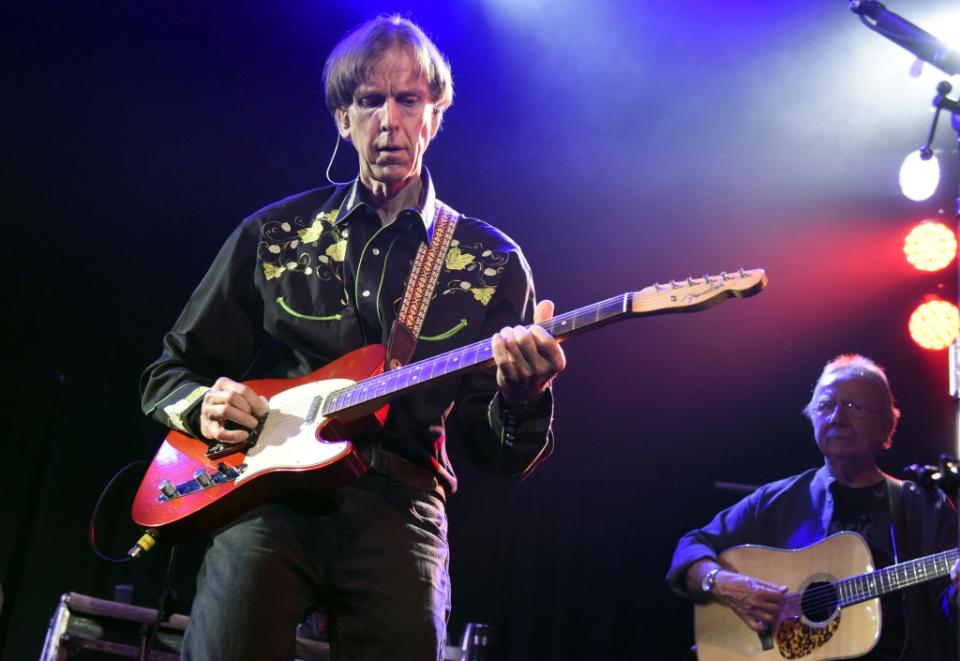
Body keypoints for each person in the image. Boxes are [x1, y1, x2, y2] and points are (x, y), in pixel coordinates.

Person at [140, 15, 565, 661]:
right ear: (343, 117)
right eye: (370, 100)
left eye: (409, 99)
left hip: (404, 504)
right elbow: (170, 372)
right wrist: (206, 406)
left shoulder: (490, 261)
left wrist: (525, 396)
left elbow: (497, 454)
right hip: (272, 496)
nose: (389, 120)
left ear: (436, 113)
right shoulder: (276, 234)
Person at [666, 354, 958, 661]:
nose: (837, 418)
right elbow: (691, 547)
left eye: (854, 407)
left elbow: (947, 611)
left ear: (887, 426)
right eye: (825, 406)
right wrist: (723, 582)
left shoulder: (924, 504)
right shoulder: (776, 501)